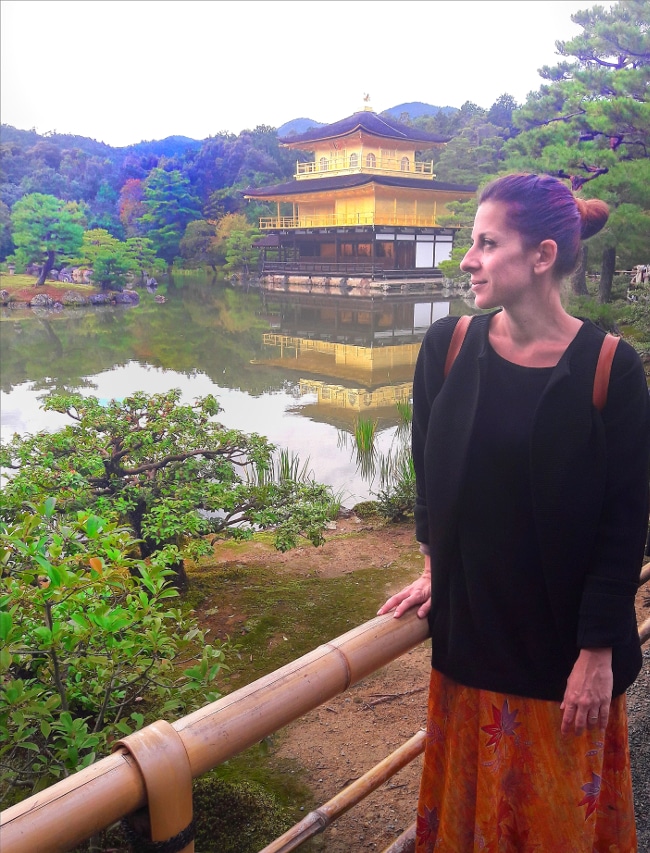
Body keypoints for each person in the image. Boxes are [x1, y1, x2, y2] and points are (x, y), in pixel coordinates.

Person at [378, 172, 650, 852]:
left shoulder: (611, 366)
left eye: (487, 242)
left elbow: (626, 522)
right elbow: (430, 473)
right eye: (471, 241)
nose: (468, 258)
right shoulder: (449, 347)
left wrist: (596, 653)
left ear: (542, 256)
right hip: (470, 645)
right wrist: (435, 561)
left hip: (564, 662)